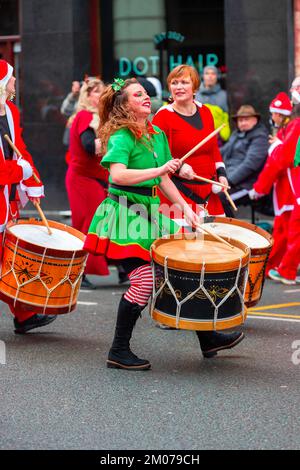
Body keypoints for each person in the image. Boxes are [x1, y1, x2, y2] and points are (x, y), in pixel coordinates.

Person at [83, 77, 244, 371]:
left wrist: (187, 209)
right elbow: (117, 176)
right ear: (124, 105)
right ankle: (118, 350)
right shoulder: (121, 135)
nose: (146, 97)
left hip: (152, 211)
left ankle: (209, 340)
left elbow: (165, 179)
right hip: (125, 213)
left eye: (145, 93)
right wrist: (159, 169)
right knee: (145, 280)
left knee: (181, 272)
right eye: (137, 95)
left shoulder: (155, 133)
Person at [0, 59, 56, 333]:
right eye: (11, 79)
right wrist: (16, 171)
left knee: (11, 259)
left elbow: (20, 149)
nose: (14, 83)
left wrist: (32, 181)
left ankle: (24, 315)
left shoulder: (10, 111)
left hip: (6, 200)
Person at [152, 64, 228, 219]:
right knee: (185, 242)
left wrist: (221, 173)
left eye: (184, 82)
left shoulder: (206, 111)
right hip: (177, 196)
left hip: (208, 193)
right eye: (174, 83)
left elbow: (213, 148)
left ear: (195, 87)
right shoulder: (163, 116)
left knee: (217, 241)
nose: (178, 87)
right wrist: (179, 168)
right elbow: (156, 156)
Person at [249, 77, 300, 285]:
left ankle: (285, 269)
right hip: (290, 190)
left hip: (293, 189)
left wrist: (259, 188)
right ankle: (276, 267)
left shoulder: (294, 125)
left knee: (293, 229)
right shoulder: (292, 126)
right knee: (286, 229)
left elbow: (281, 160)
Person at [66, 77, 110, 288]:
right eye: (95, 92)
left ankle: (119, 268)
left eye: (102, 92)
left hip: (95, 179)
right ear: (87, 95)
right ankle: (77, 272)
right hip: (83, 180)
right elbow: (89, 147)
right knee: (86, 226)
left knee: (97, 224)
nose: (99, 96)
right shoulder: (86, 116)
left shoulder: (98, 117)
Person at [219, 105, 269, 217]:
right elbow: (222, 152)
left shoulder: (260, 137)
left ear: (255, 120)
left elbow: (250, 164)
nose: (242, 123)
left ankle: (231, 231)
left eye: (246, 119)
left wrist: (229, 181)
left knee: (218, 199)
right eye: (240, 120)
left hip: (246, 185)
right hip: (228, 181)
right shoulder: (236, 134)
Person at [195, 65, 230, 145]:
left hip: (219, 140)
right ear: (202, 76)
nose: (210, 76)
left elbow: (227, 118)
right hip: (198, 138)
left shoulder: (224, 95)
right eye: (207, 73)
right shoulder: (195, 95)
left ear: (217, 77)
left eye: (213, 74)